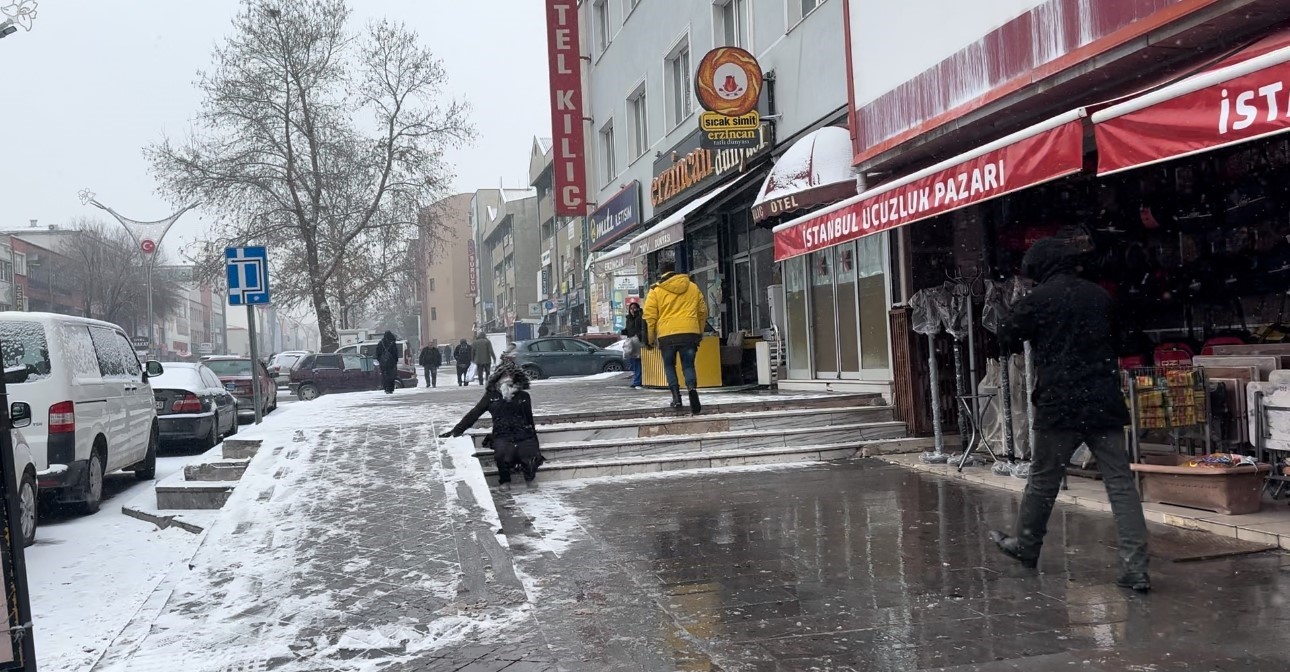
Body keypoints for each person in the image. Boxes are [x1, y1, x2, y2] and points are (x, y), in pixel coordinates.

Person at [991, 237, 1150, 592]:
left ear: (1039, 270)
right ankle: (1135, 566)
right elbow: (1124, 341)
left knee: (1043, 481)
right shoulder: (1100, 296)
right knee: (1121, 485)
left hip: (1059, 405)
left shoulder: (1038, 300)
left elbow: (1006, 338)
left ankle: (1027, 546)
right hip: (1103, 401)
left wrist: (1015, 308)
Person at [441, 362, 543, 491]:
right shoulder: (491, 396)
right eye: (505, 375)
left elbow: (529, 418)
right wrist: (457, 430)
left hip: (522, 432)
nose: (508, 378)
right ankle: (505, 481)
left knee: (528, 449)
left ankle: (530, 477)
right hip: (502, 433)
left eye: (511, 375)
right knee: (502, 452)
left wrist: (534, 437)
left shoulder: (523, 396)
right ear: (498, 377)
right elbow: (474, 413)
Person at [643, 261, 707, 414]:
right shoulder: (692, 287)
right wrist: (699, 331)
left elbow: (649, 318)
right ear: (675, 270)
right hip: (689, 334)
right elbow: (703, 312)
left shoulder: (656, 291)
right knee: (688, 366)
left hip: (667, 336)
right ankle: (691, 388)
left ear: (661, 272)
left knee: (669, 365)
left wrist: (650, 339)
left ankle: (676, 397)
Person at [621, 301, 647, 389]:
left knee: (637, 362)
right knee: (633, 362)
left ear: (638, 308)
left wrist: (642, 339)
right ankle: (637, 380)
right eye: (631, 308)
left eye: (635, 308)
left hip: (638, 342)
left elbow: (641, 329)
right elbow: (629, 329)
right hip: (631, 342)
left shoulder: (640, 317)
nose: (633, 310)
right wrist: (624, 331)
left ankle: (637, 381)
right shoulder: (629, 318)